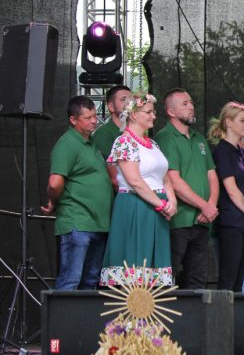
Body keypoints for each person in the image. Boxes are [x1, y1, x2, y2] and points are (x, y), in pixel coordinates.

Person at [99, 93, 177, 286]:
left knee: (154, 264)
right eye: (148, 112)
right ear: (133, 115)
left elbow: (165, 178)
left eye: (153, 112)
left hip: (158, 207)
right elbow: (134, 180)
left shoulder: (153, 144)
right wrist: (160, 204)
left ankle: (151, 301)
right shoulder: (124, 142)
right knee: (135, 257)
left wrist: (172, 202)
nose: (153, 116)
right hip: (136, 204)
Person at [43, 96, 113, 290]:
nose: (94, 121)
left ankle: (83, 314)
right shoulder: (67, 143)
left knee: (90, 283)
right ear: (73, 120)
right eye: (88, 117)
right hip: (77, 223)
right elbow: (55, 183)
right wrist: (53, 201)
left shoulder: (91, 143)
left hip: (98, 224)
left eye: (95, 116)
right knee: (70, 281)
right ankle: (63, 312)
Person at [155, 89, 218, 289]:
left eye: (191, 102)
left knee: (198, 278)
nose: (191, 106)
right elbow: (173, 179)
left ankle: (196, 311)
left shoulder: (199, 138)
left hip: (202, 220)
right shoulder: (165, 137)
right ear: (171, 112)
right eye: (184, 103)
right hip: (178, 220)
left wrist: (210, 206)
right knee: (168, 276)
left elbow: (212, 175)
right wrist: (205, 206)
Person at [209, 102, 244, 292]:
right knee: (229, 278)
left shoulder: (243, 153)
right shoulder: (222, 151)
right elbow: (231, 189)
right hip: (231, 222)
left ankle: (237, 312)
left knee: (240, 280)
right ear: (228, 122)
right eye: (242, 121)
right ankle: (223, 312)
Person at [91, 85, 132, 161]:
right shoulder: (103, 134)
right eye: (123, 99)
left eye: (131, 100)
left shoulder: (136, 131)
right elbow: (109, 165)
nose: (129, 103)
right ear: (111, 107)